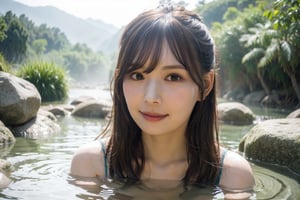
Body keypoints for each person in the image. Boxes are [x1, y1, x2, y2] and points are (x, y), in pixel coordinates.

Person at [70, 4, 255, 195]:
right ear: (119, 78)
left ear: (205, 85)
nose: (151, 98)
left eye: (173, 77)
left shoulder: (232, 177)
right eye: (137, 75)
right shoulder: (91, 165)